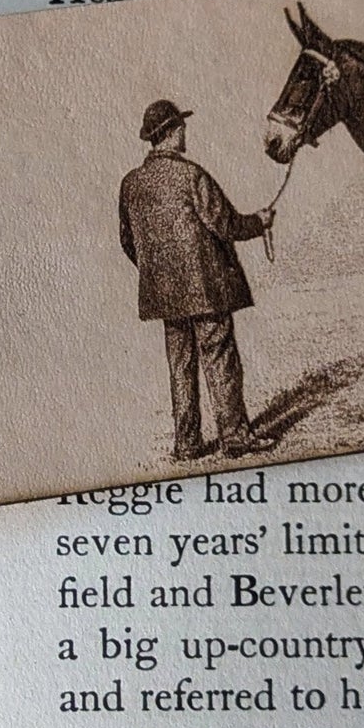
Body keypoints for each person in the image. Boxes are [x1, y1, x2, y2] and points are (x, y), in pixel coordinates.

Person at [118, 99, 274, 461]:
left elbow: (128, 241)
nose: (185, 133)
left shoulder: (131, 184)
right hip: (207, 292)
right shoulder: (191, 176)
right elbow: (227, 225)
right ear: (173, 132)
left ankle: (187, 444)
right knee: (220, 361)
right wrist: (260, 222)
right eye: (181, 127)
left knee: (180, 367)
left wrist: (156, 272)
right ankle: (235, 437)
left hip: (166, 296)